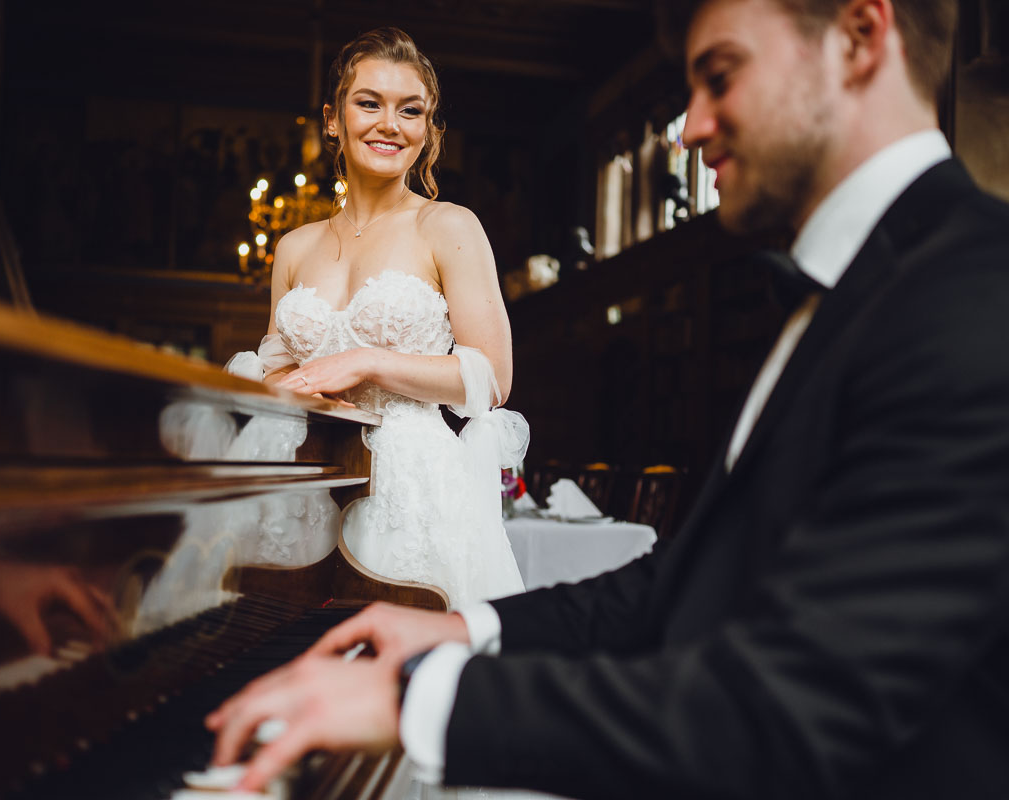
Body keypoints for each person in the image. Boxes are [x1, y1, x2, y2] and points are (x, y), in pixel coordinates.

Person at [204, 1, 1009, 798]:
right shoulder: (850, 291)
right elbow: (684, 582)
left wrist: (422, 702)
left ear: (861, 38)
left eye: (720, 76)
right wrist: (467, 626)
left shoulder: (973, 300)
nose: (689, 130)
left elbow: (799, 705)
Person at [235, 27, 528, 609]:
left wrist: (366, 361)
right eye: (369, 103)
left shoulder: (449, 227)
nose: (390, 124)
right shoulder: (293, 247)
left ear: (428, 129)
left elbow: (493, 378)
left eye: (410, 110)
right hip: (302, 482)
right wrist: (292, 388)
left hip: (410, 495)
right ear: (332, 119)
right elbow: (275, 370)